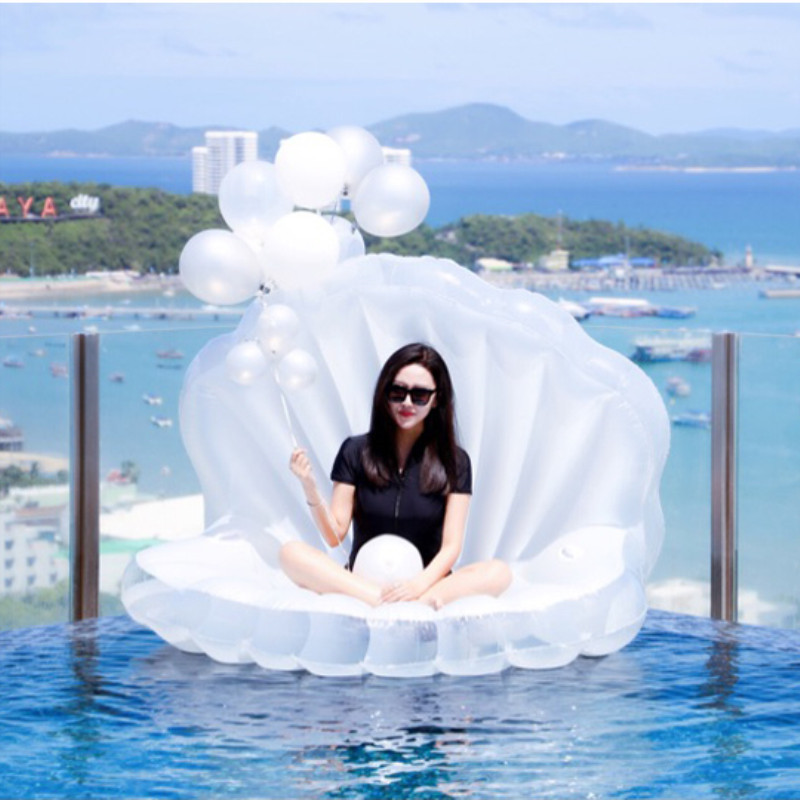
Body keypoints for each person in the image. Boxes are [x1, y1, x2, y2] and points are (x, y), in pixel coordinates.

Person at [280, 342, 512, 609]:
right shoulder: (355, 451)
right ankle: (382, 601)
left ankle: (414, 604)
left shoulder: (455, 461)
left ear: (437, 399)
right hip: (364, 580)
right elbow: (335, 535)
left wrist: (416, 587)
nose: (407, 403)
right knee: (291, 553)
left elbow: (451, 546)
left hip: (425, 585)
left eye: (420, 395)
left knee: (498, 572)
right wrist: (309, 487)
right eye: (397, 392)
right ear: (385, 392)